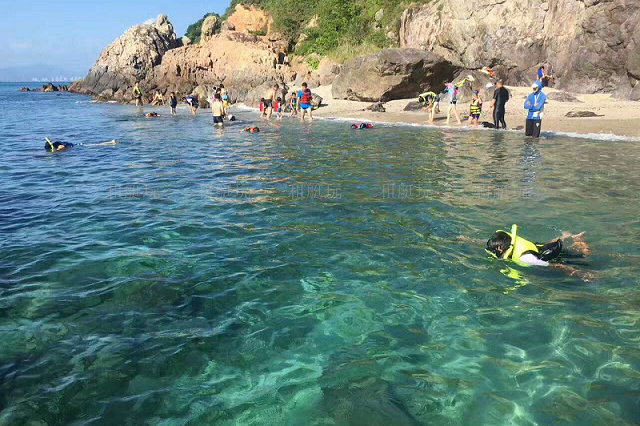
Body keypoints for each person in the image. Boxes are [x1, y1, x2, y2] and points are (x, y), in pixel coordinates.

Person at [486, 224, 592, 279]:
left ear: (501, 249)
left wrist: (579, 274)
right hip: (538, 248)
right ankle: (565, 237)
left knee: (585, 257)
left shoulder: (525, 259)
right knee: (544, 246)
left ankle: (580, 241)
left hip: (550, 257)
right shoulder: (510, 241)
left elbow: (554, 266)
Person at [44, 137, 117, 152]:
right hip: (77, 145)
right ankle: (111, 142)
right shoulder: (56, 143)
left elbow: (62, 146)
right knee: (96, 144)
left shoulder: (56, 144)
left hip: (79, 146)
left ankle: (111, 142)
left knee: (97, 145)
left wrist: (57, 151)